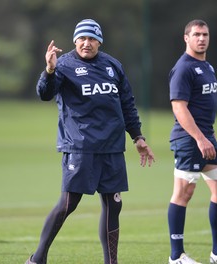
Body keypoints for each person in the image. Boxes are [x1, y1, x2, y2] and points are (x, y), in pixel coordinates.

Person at [25, 18, 155, 264]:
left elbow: (127, 104)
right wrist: (49, 70)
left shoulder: (112, 66)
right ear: (75, 41)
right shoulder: (63, 65)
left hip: (112, 148)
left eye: (92, 38)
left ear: (99, 42)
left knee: (113, 205)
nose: (87, 43)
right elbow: (45, 94)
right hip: (80, 146)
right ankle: (37, 259)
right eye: (82, 38)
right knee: (67, 204)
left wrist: (137, 136)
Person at [166, 19, 217, 264]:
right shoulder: (183, 68)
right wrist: (200, 138)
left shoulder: (207, 66)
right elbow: (179, 108)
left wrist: (206, 138)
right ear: (186, 38)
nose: (201, 38)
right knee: (184, 192)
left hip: (206, 138)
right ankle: (176, 257)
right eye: (196, 34)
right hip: (189, 139)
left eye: (205, 34)